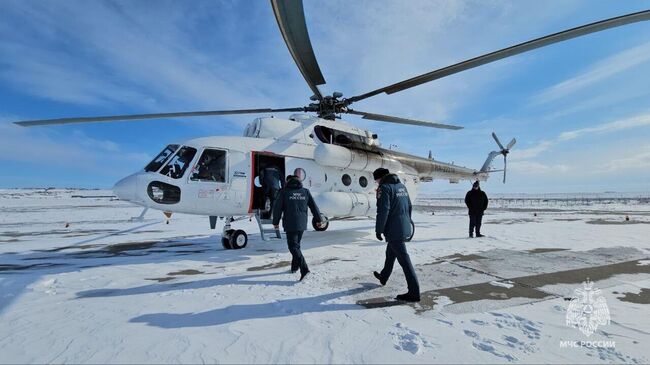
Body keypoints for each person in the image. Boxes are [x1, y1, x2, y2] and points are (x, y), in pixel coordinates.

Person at [372, 168, 420, 302]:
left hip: (393, 229)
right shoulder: (401, 187)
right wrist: (407, 222)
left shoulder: (384, 188)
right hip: (403, 226)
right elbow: (409, 206)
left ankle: (414, 292)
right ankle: (384, 276)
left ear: (380, 178)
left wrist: (379, 229)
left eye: (376, 180)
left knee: (404, 260)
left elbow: (383, 210)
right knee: (390, 253)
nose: (376, 183)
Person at [272, 175, 323, 281]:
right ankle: (294, 267)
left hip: (290, 224)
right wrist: (319, 220)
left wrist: (275, 222)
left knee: (293, 247)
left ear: (288, 181)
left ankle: (304, 269)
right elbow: (314, 207)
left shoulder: (284, 192)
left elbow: (277, 208)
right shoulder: (305, 192)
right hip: (302, 224)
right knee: (296, 246)